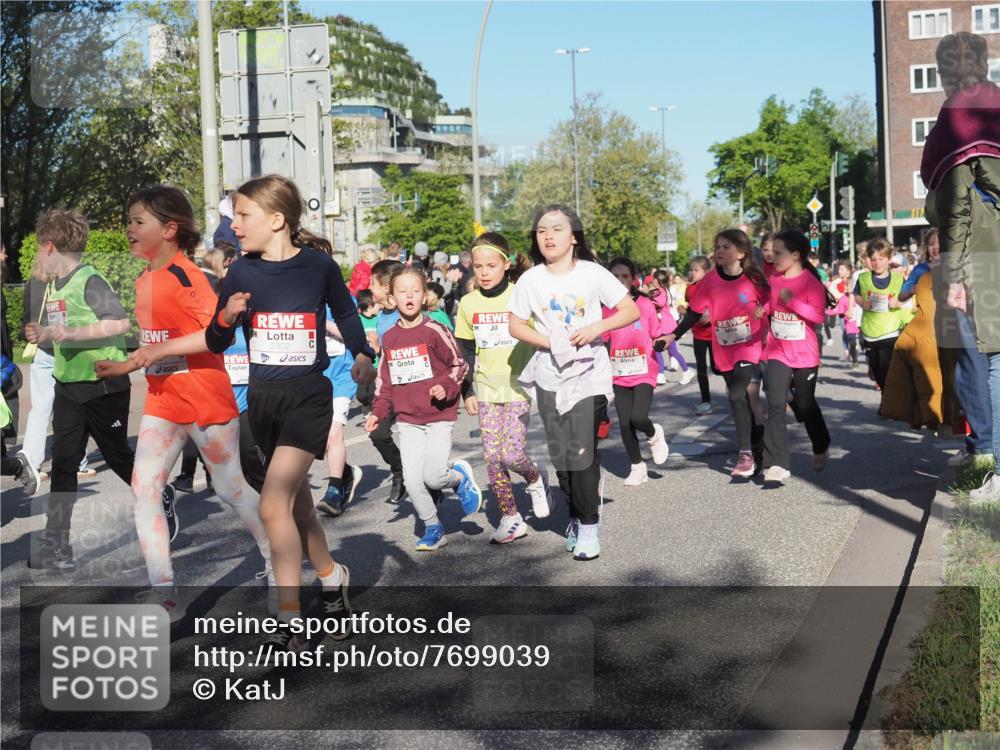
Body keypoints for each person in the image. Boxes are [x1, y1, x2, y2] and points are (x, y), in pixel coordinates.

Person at [132, 174, 377, 650]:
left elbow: (346, 313)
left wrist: (364, 354)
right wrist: (226, 318)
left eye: (243, 216)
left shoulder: (317, 267)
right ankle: (332, 574)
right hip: (263, 405)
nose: (234, 225)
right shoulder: (241, 273)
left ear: (277, 220)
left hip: (308, 397)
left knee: (272, 503)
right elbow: (218, 339)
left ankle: (287, 615)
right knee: (297, 506)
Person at [93, 186, 272, 619]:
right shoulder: (143, 281)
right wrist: (129, 364)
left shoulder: (187, 277)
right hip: (162, 401)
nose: (129, 229)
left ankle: (276, 556)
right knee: (144, 488)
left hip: (204, 397)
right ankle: (165, 592)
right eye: (129, 221)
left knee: (231, 489)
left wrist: (157, 351)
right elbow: (155, 344)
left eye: (139, 221)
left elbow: (217, 333)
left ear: (169, 229)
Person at [508, 204, 639, 561]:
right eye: (541, 231)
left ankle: (589, 525)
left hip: (589, 376)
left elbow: (630, 310)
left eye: (557, 229)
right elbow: (516, 325)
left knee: (581, 451)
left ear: (574, 236)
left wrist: (597, 327)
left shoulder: (593, 274)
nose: (548, 236)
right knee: (562, 457)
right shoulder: (531, 280)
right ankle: (575, 516)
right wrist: (550, 341)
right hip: (550, 375)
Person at [24, 210, 138, 571]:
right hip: (69, 386)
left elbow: (119, 322)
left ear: (50, 246)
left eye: (40, 249)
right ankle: (57, 544)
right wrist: (44, 335)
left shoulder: (89, 279)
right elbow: (66, 329)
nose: (38, 257)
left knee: (118, 457)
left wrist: (71, 334)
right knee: (63, 466)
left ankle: (158, 495)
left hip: (104, 386)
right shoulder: (55, 286)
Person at [921, 30, 1000, 500]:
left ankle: (987, 456)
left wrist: (951, 270)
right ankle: (979, 445)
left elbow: (955, 205)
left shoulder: (958, 114)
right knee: (995, 358)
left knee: (972, 360)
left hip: (972, 256)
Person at [365, 267, 481, 550]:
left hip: (438, 415)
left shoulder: (435, 330)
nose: (409, 296)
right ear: (391, 298)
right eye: (402, 291)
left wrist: (446, 386)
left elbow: (459, 364)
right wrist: (377, 412)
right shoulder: (390, 338)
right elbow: (385, 382)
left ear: (424, 295)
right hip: (407, 419)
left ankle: (458, 477)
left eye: (415, 291)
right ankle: (433, 527)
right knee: (413, 480)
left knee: (434, 476)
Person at [455, 233, 548, 544]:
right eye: (478, 266)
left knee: (511, 454)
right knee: (492, 457)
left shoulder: (521, 297)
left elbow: (541, 335)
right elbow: (465, 349)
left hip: (519, 387)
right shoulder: (468, 303)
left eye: (491, 265)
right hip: (487, 389)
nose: (483, 272)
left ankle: (534, 478)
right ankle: (511, 516)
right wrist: (467, 390)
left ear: (505, 265)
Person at [662, 230, 770, 478]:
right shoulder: (709, 281)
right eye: (717, 246)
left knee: (736, 394)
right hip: (724, 349)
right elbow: (695, 312)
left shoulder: (754, 279)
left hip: (750, 345)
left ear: (741, 253)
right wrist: (673, 335)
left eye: (726, 247)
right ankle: (757, 447)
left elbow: (772, 301)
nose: (719, 251)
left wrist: (764, 313)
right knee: (740, 400)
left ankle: (745, 454)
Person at [760, 230, 833, 484]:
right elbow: (774, 303)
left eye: (779, 253)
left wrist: (793, 302)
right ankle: (776, 464)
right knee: (775, 404)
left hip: (804, 353)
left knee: (805, 404)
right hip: (777, 350)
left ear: (795, 255)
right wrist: (765, 309)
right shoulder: (775, 279)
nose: (773, 257)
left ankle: (820, 442)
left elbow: (818, 316)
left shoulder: (810, 283)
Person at [20, 262, 96, 482]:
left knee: (39, 409)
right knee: (73, 408)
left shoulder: (33, 281)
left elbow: (27, 317)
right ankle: (77, 462)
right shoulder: (67, 281)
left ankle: (32, 463)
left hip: (40, 350)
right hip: (64, 351)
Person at [605, 257, 671, 486]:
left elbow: (656, 332)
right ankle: (637, 466)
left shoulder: (644, 304)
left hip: (645, 370)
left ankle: (654, 435)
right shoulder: (605, 308)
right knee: (624, 424)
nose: (620, 281)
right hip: (619, 372)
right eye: (615, 276)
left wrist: (662, 342)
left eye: (625, 276)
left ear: (634, 279)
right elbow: (602, 339)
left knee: (638, 417)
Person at [364, 259, 407, 504]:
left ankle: (429, 483)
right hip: (388, 386)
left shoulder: (408, 311)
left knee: (419, 437)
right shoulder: (381, 315)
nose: (370, 289)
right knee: (378, 434)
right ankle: (399, 469)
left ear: (387, 286)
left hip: (413, 385)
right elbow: (382, 353)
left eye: (373, 284)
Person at [315, 312, 362, 518]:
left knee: (334, 434)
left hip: (342, 377)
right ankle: (346, 472)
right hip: (314, 378)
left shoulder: (340, 301)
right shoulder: (299, 299)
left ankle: (333, 492)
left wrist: (325, 323)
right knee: (322, 439)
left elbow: (355, 335)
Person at [854, 238, 906, 393]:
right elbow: (856, 295)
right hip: (870, 332)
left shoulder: (898, 278)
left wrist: (898, 303)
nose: (877, 263)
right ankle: (886, 391)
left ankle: (888, 396)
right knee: (875, 367)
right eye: (874, 259)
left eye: (881, 259)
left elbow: (908, 296)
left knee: (885, 364)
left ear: (889, 259)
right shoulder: (863, 279)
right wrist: (863, 303)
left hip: (891, 330)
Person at [684, 256, 718, 415]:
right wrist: (682, 309)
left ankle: (735, 392)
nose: (693, 273)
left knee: (718, 368)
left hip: (714, 335)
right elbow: (690, 307)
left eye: (696, 270)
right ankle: (706, 401)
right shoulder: (690, 288)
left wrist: (711, 316)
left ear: (706, 272)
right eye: (691, 270)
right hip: (698, 335)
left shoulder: (715, 287)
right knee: (701, 368)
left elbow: (723, 306)